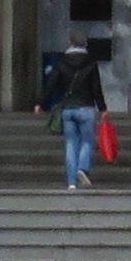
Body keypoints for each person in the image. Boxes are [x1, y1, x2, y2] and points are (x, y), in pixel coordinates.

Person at [47, 37, 109, 190]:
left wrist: (39, 102)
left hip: (68, 109)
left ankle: (72, 182)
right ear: (85, 45)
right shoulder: (91, 63)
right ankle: (82, 168)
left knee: (70, 144)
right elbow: (96, 88)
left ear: (70, 44)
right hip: (86, 108)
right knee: (87, 142)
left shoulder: (62, 63)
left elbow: (51, 84)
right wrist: (102, 108)